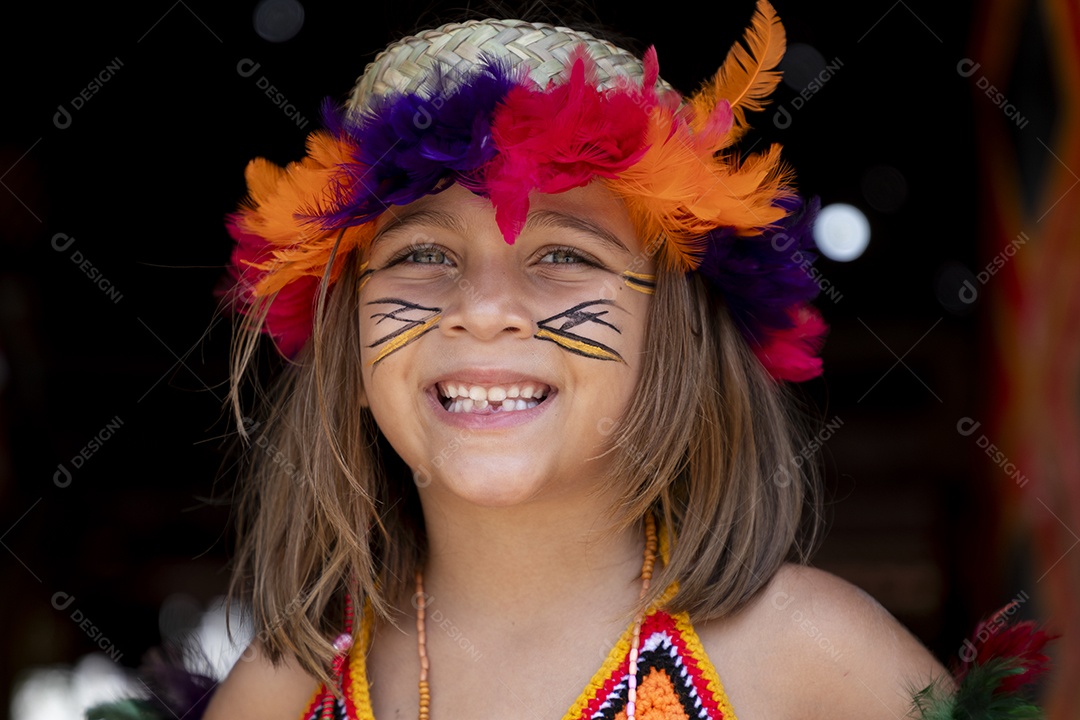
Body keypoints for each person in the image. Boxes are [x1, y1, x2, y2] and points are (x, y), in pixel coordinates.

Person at [88, 2, 1055, 719]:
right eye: (423, 255)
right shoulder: (281, 692)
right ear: (345, 332)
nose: (487, 310)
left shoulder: (814, 662)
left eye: (564, 256)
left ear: (674, 331)